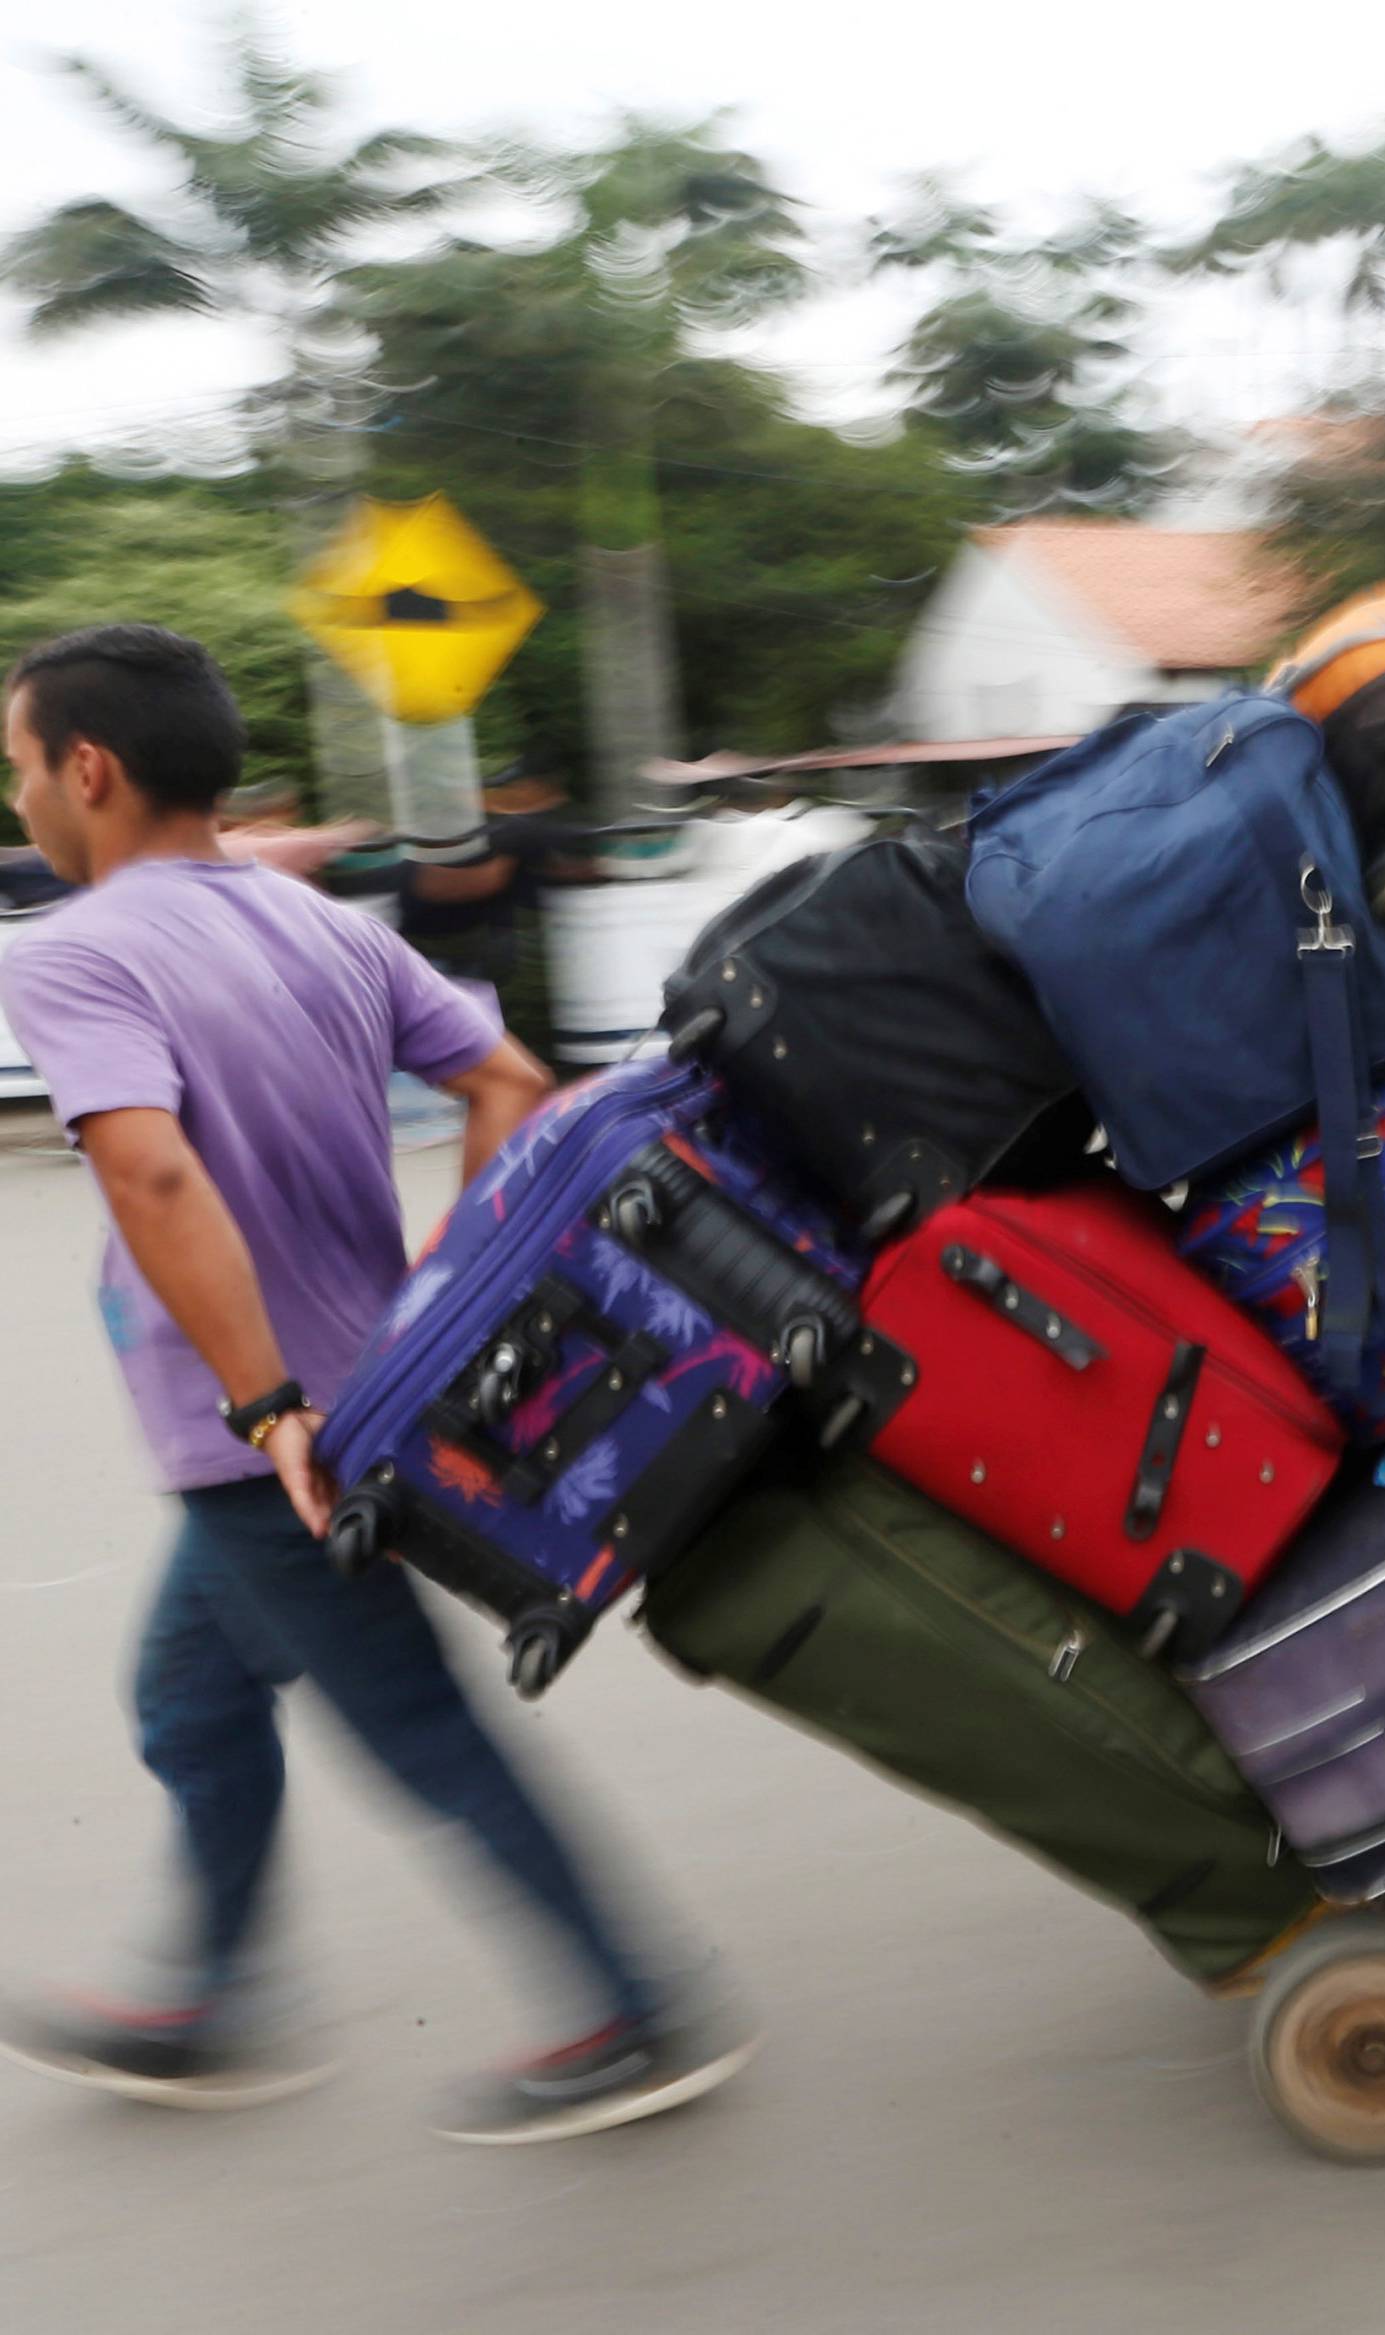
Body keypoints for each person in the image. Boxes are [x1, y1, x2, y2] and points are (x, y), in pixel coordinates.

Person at [0, 624, 757, 2143]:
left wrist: (271, 1402)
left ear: (90, 769)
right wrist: (441, 1313)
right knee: (188, 1705)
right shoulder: (324, 926)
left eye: (18, 769)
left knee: (420, 1738)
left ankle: (636, 2013)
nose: (18, 801)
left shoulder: (71, 952)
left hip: (271, 1451)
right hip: (366, 1406)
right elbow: (511, 1085)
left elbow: (149, 1167)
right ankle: (206, 2004)